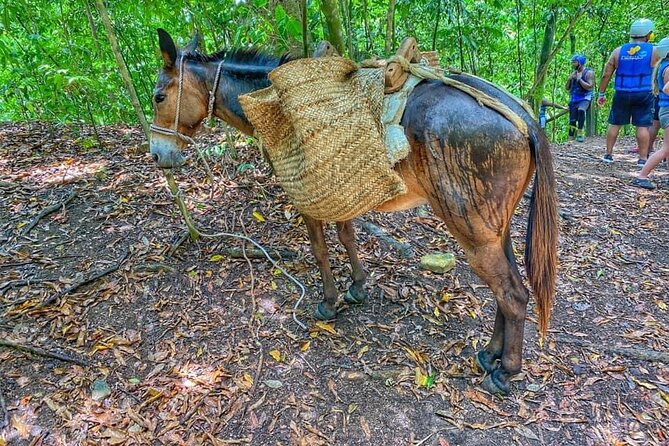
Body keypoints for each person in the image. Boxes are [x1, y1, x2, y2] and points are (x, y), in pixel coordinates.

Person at [597, 18, 659, 165]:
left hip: (622, 92)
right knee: (642, 126)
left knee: (615, 124)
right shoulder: (654, 51)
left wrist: (601, 93)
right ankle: (643, 159)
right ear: (648, 34)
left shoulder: (619, 51)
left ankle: (608, 154)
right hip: (644, 93)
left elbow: (607, 73)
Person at [632, 37, 669, 189]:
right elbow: (667, 88)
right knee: (666, 148)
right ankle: (642, 176)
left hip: (665, 110)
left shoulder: (663, 65)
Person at [565, 54, 594, 142]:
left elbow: (590, 86)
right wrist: (569, 79)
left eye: (575, 62)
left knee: (581, 110)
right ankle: (570, 138)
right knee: (572, 119)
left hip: (585, 97)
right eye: (572, 62)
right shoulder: (573, 73)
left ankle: (580, 133)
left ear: (580, 63)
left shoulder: (589, 73)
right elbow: (567, 88)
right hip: (574, 98)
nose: (573, 64)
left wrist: (580, 79)